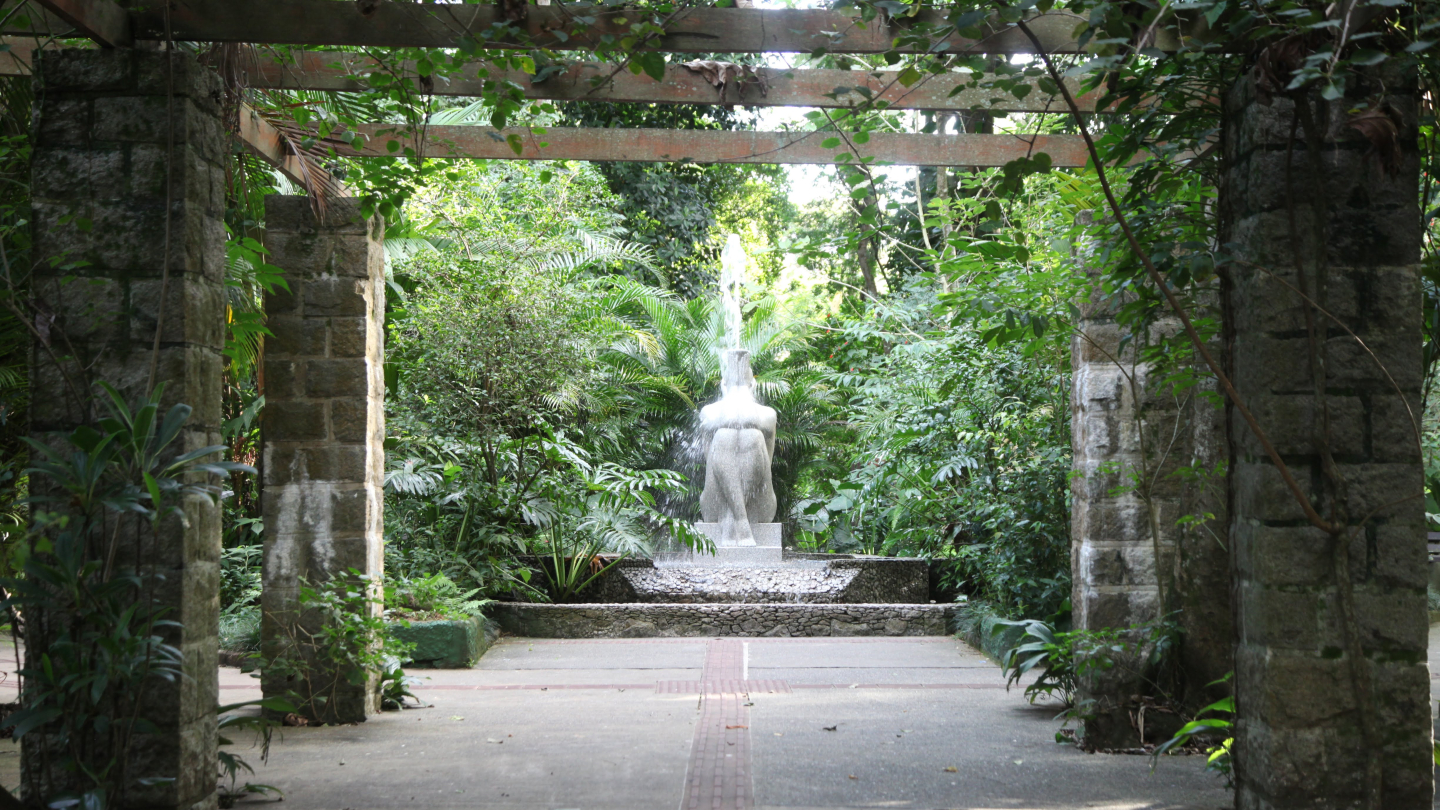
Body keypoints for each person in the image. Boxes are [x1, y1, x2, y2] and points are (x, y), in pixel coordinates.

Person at [698, 349, 777, 545]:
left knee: (734, 436)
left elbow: (709, 457)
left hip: (742, 505)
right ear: (753, 385)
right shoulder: (766, 415)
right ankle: (741, 522)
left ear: (723, 384)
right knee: (748, 436)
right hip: (722, 504)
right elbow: (769, 458)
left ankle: (735, 519)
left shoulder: (710, 413)